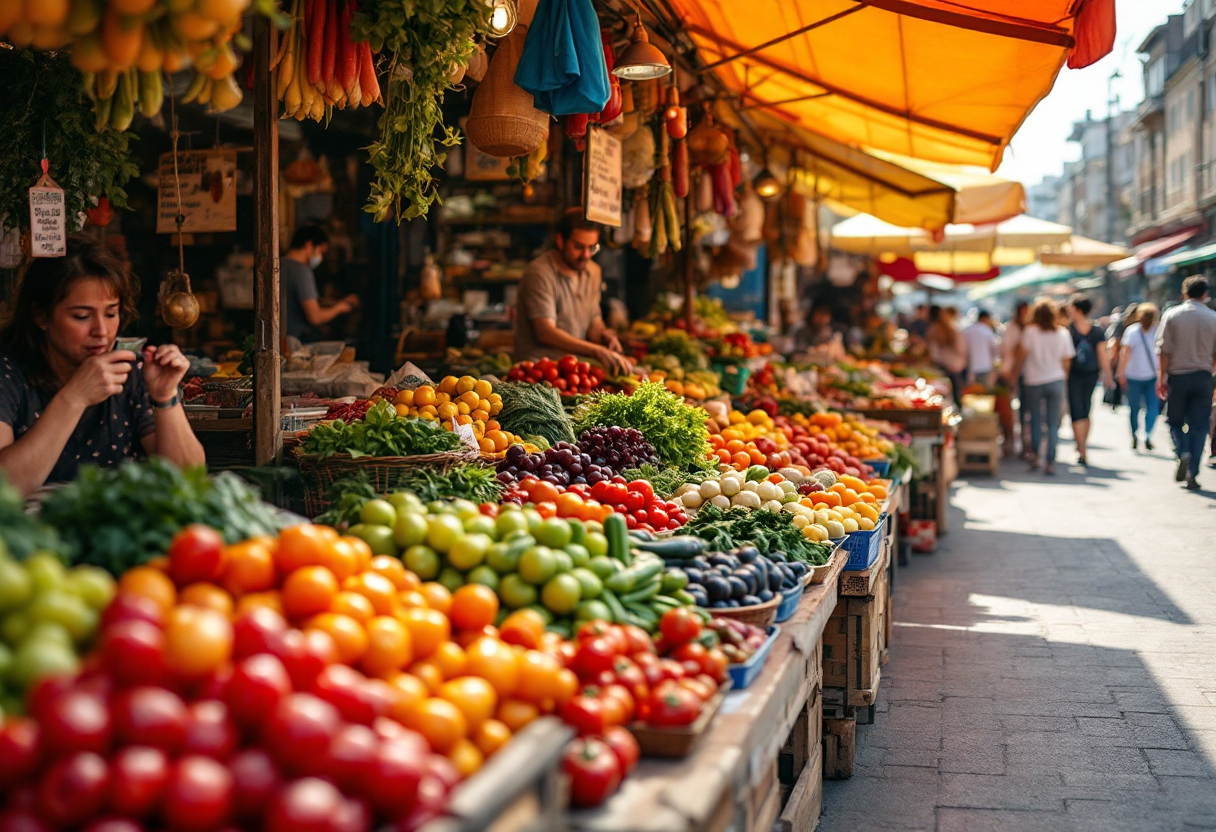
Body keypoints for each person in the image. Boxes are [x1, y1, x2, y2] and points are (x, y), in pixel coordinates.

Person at [0, 236, 205, 496]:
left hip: (112, 532)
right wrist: (74, 397)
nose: (101, 331)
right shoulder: (8, 373)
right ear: (41, 316)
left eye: (111, 314)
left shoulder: (131, 371)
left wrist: (165, 397)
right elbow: (4, 489)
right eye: (82, 316)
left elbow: (188, 482)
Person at [515, 209, 633, 376]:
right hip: (537, 372)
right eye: (578, 247)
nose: (586, 255)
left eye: (592, 248)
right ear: (560, 240)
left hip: (574, 370)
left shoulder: (593, 271)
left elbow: (594, 322)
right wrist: (597, 351)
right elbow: (545, 332)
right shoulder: (539, 273)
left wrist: (605, 335)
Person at [1155, 276, 1216, 490]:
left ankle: (1182, 451)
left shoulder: (1172, 315)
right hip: (1203, 377)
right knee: (1199, 426)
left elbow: (1164, 350)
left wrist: (1161, 377)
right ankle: (1193, 474)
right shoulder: (1213, 318)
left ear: (1184, 293)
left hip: (1178, 377)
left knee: (1174, 421)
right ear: (1205, 294)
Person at [1014, 298, 1074, 475]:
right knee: (1053, 423)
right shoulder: (1062, 333)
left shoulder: (1030, 332)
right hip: (1056, 380)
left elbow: (1021, 357)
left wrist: (1014, 376)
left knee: (1035, 420)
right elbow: (1067, 360)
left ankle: (1035, 457)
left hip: (1033, 380)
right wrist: (1064, 378)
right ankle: (1050, 460)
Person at [281, 225, 360, 343]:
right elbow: (315, 317)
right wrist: (340, 307)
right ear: (309, 245)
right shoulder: (301, 272)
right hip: (295, 343)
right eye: (320, 252)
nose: (320, 258)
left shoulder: (278, 265)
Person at [1066, 294, 1111, 467]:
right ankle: (1082, 447)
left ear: (1077, 310)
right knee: (1085, 408)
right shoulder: (1097, 331)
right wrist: (1108, 375)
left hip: (1073, 375)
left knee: (1077, 410)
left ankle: (1081, 449)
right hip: (1091, 374)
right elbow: (1103, 355)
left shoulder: (1069, 330)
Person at [1118, 303, 1160, 451]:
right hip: (1151, 375)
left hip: (1135, 375)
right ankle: (1146, 434)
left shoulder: (1132, 331)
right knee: (1152, 407)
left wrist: (1121, 373)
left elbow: (1125, 354)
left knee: (1135, 408)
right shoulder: (1157, 331)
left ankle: (1137, 433)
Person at [1001, 302, 1031, 457]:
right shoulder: (1012, 328)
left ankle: (1026, 444)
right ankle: (1012, 441)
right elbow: (1008, 351)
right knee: (1012, 410)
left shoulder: (1032, 328)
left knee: (1026, 410)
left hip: (1031, 374)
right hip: (1015, 373)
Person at [926, 306, 968, 404]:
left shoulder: (937, 329)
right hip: (955, 364)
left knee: (951, 393)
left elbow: (933, 351)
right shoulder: (952, 328)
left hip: (946, 364)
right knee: (955, 392)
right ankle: (956, 410)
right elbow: (961, 349)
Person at [1105, 303, 1138, 411]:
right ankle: (1116, 400)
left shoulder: (1128, 324)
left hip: (1127, 353)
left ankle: (1117, 400)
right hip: (1122, 353)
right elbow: (1115, 339)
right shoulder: (1123, 324)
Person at [963, 309, 998, 386]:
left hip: (972, 367)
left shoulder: (969, 331)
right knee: (984, 392)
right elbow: (995, 350)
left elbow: (965, 350)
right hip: (985, 367)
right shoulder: (987, 331)